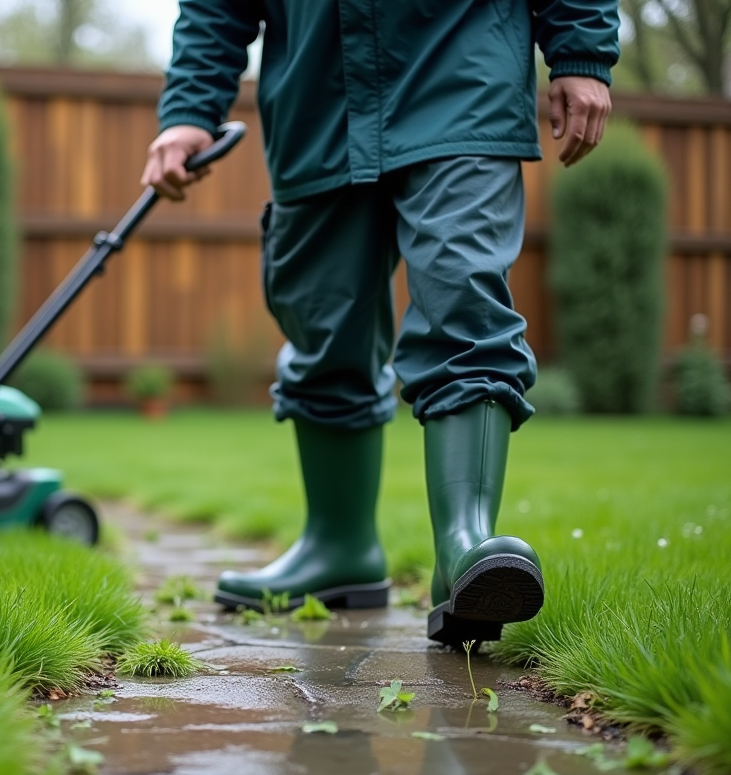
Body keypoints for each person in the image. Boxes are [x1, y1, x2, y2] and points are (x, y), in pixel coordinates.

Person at [142, 1, 618, 645]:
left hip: (462, 62)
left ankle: (465, 547)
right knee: (322, 321)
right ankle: (337, 546)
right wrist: (188, 111)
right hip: (316, 95)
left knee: (463, 293)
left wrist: (581, 50)